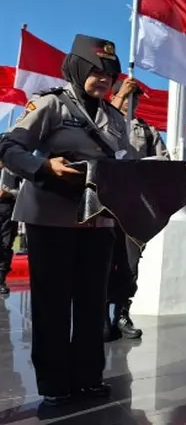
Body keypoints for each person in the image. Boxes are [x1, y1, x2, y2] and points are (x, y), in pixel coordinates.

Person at [0, 34, 129, 405]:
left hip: (98, 221)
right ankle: (55, 384)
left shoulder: (116, 118)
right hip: (50, 218)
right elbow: (9, 147)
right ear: (76, 67)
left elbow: (126, 163)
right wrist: (43, 166)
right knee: (52, 305)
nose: (103, 77)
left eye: (110, 71)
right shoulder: (50, 105)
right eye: (96, 69)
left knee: (92, 304)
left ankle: (88, 377)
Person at [104, 77, 170, 342]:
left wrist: (144, 167)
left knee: (130, 265)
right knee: (100, 262)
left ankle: (122, 313)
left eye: (136, 97)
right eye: (128, 95)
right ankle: (98, 315)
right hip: (103, 207)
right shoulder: (101, 122)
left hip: (133, 208)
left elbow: (164, 161)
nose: (133, 101)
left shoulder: (147, 130)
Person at [0, 165, 19, 295]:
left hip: (8, 209)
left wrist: (9, 193)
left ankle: (1, 281)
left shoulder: (13, 171)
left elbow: (22, 192)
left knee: (6, 245)